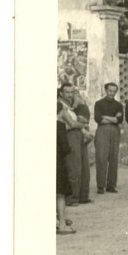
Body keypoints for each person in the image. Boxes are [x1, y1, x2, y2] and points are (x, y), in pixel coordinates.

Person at [59, 82, 93, 206]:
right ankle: (72, 198)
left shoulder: (73, 105)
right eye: (66, 92)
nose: (69, 94)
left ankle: (83, 196)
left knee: (84, 166)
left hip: (78, 134)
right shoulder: (60, 105)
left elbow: (82, 116)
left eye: (71, 92)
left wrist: (83, 129)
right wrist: (83, 125)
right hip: (69, 135)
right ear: (61, 93)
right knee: (74, 167)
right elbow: (72, 123)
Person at [93, 82, 124, 194]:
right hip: (102, 130)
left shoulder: (119, 105)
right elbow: (98, 119)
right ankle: (100, 186)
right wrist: (113, 118)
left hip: (115, 131)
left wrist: (106, 117)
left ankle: (111, 185)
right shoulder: (99, 103)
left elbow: (119, 120)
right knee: (101, 157)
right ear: (105, 90)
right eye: (110, 90)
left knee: (113, 157)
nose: (112, 93)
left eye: (114, 91)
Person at [57, 96, 76, 234]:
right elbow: (65, 147)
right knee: (60, 194)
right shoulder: (60, 125)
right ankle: (62, 224)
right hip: (58, 163)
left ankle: (56, 220)